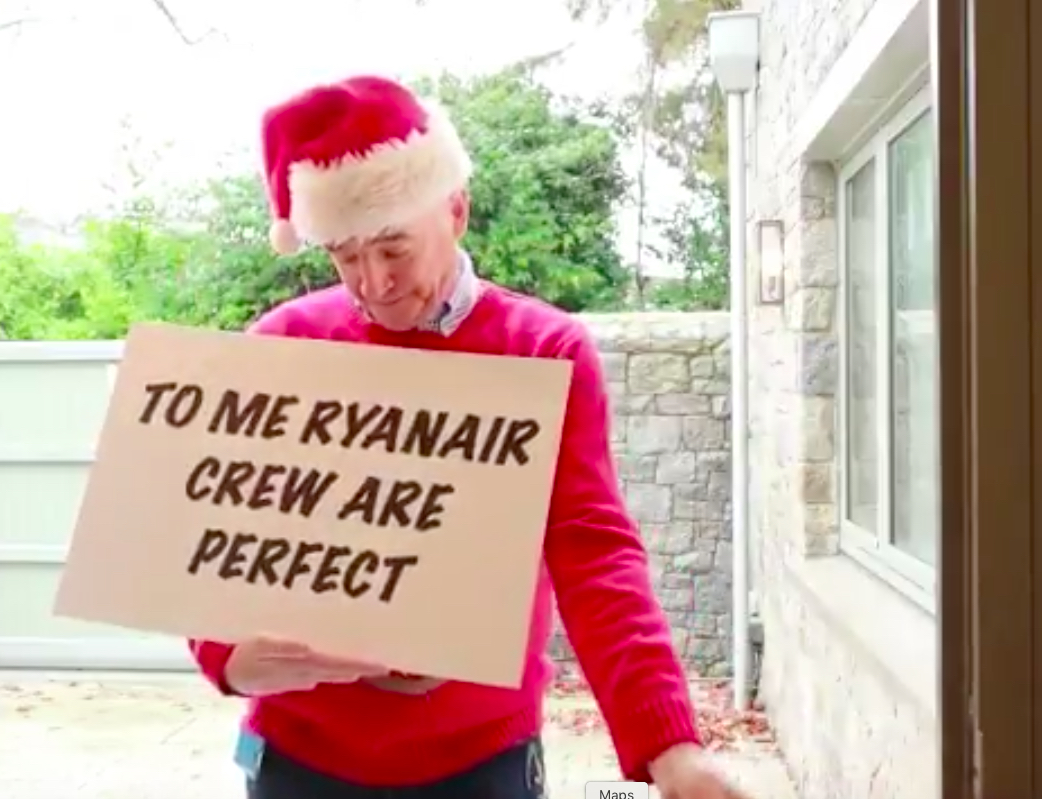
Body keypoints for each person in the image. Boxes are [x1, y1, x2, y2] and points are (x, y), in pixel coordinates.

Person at [188, 75, 755, 799]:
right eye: (345, 256)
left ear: (456, 209)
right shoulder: (282, 344)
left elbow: (592, 550)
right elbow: (217, 531)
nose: (373, 283)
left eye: (394, 248)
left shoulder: (544, 349)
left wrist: (670, 746)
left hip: (481, 761)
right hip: (299, 759)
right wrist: (225, 653)